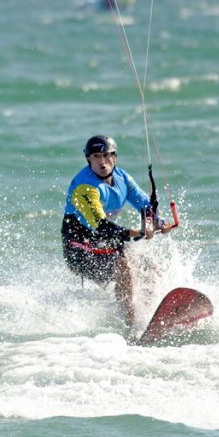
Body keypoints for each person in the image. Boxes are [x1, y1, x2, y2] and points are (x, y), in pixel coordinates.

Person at [61, 135, 167, 330]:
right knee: (124, 266)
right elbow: (102, 227)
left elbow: (145, 204)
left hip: (106, 244)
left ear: (115, 157)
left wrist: (157, 222)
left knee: (150, 268)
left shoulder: (122, 178)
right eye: (96, 156)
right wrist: (136, 233)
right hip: (79, 248)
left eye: (107, 156)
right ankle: (131, 325)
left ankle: (152, 316)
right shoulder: (85, 187)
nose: (102, 161)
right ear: (88, 159)